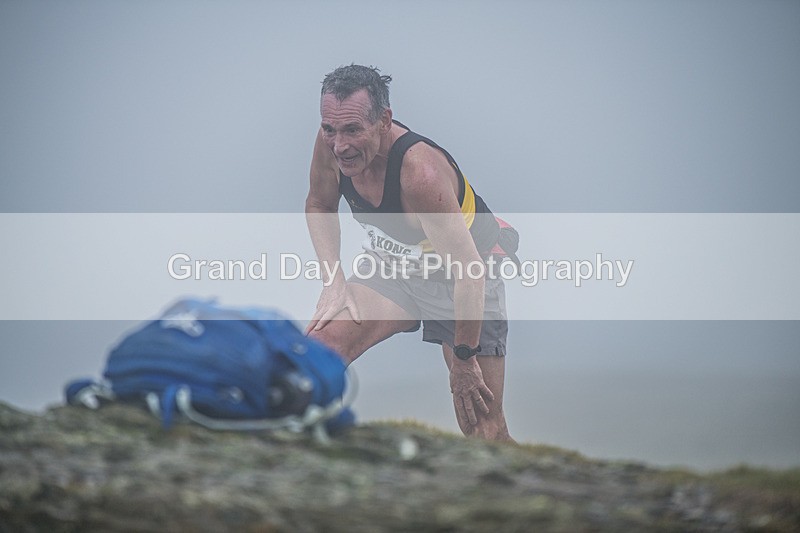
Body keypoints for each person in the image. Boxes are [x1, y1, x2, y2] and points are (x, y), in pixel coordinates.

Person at [304, 64, 513, 441]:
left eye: (353, 129)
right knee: (318, 351)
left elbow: (468, 272)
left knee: (482, 427)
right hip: (395, 266)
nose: (340, 146)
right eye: (329, 129)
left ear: (384, 121)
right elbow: (319, 204)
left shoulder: (420, 173)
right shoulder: (331, 147)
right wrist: (334, 284)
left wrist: (464, 359)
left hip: (463, 277)